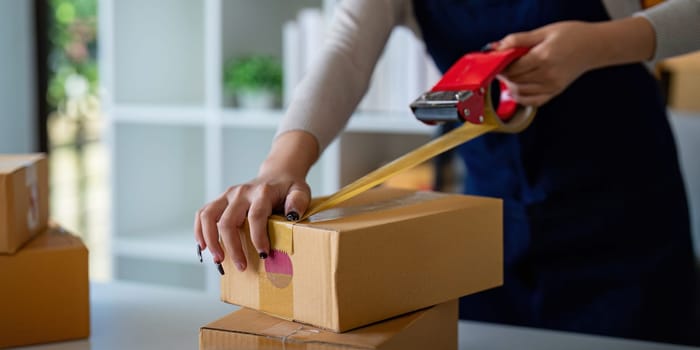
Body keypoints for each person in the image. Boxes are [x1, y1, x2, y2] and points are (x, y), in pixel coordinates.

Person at [195, 0, 700, 345]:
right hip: (487, 226)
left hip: (625, 218)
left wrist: (599, 43)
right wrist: (281, 166)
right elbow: (346, 50)